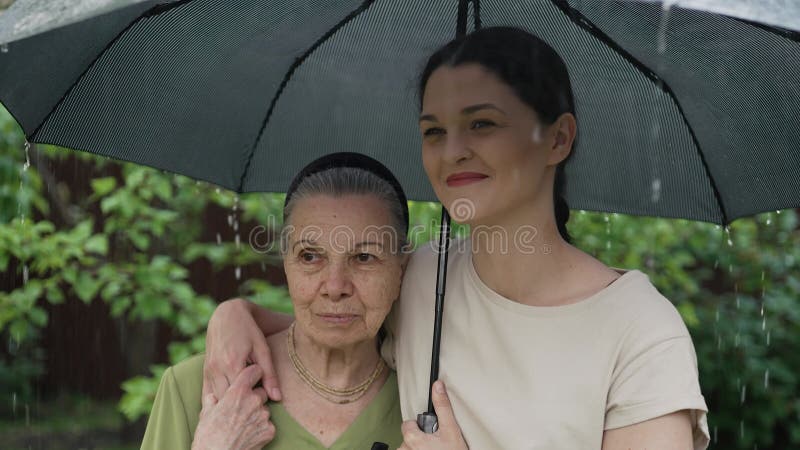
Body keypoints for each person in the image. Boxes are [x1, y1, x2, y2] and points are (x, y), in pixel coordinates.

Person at [203, 27, 710, 449]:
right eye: (434, 131)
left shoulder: (640, 333)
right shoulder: (425, 277)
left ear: (557, 139)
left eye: (482, 123)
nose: (454, 152)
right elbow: (326, 316)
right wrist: (233, 317)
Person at [141, 152, 411, 449]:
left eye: (363, 257)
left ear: (401, 267)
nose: (335, 287)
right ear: (286, 263)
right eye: (310, 256)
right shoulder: (196, 391)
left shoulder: (428, 404)